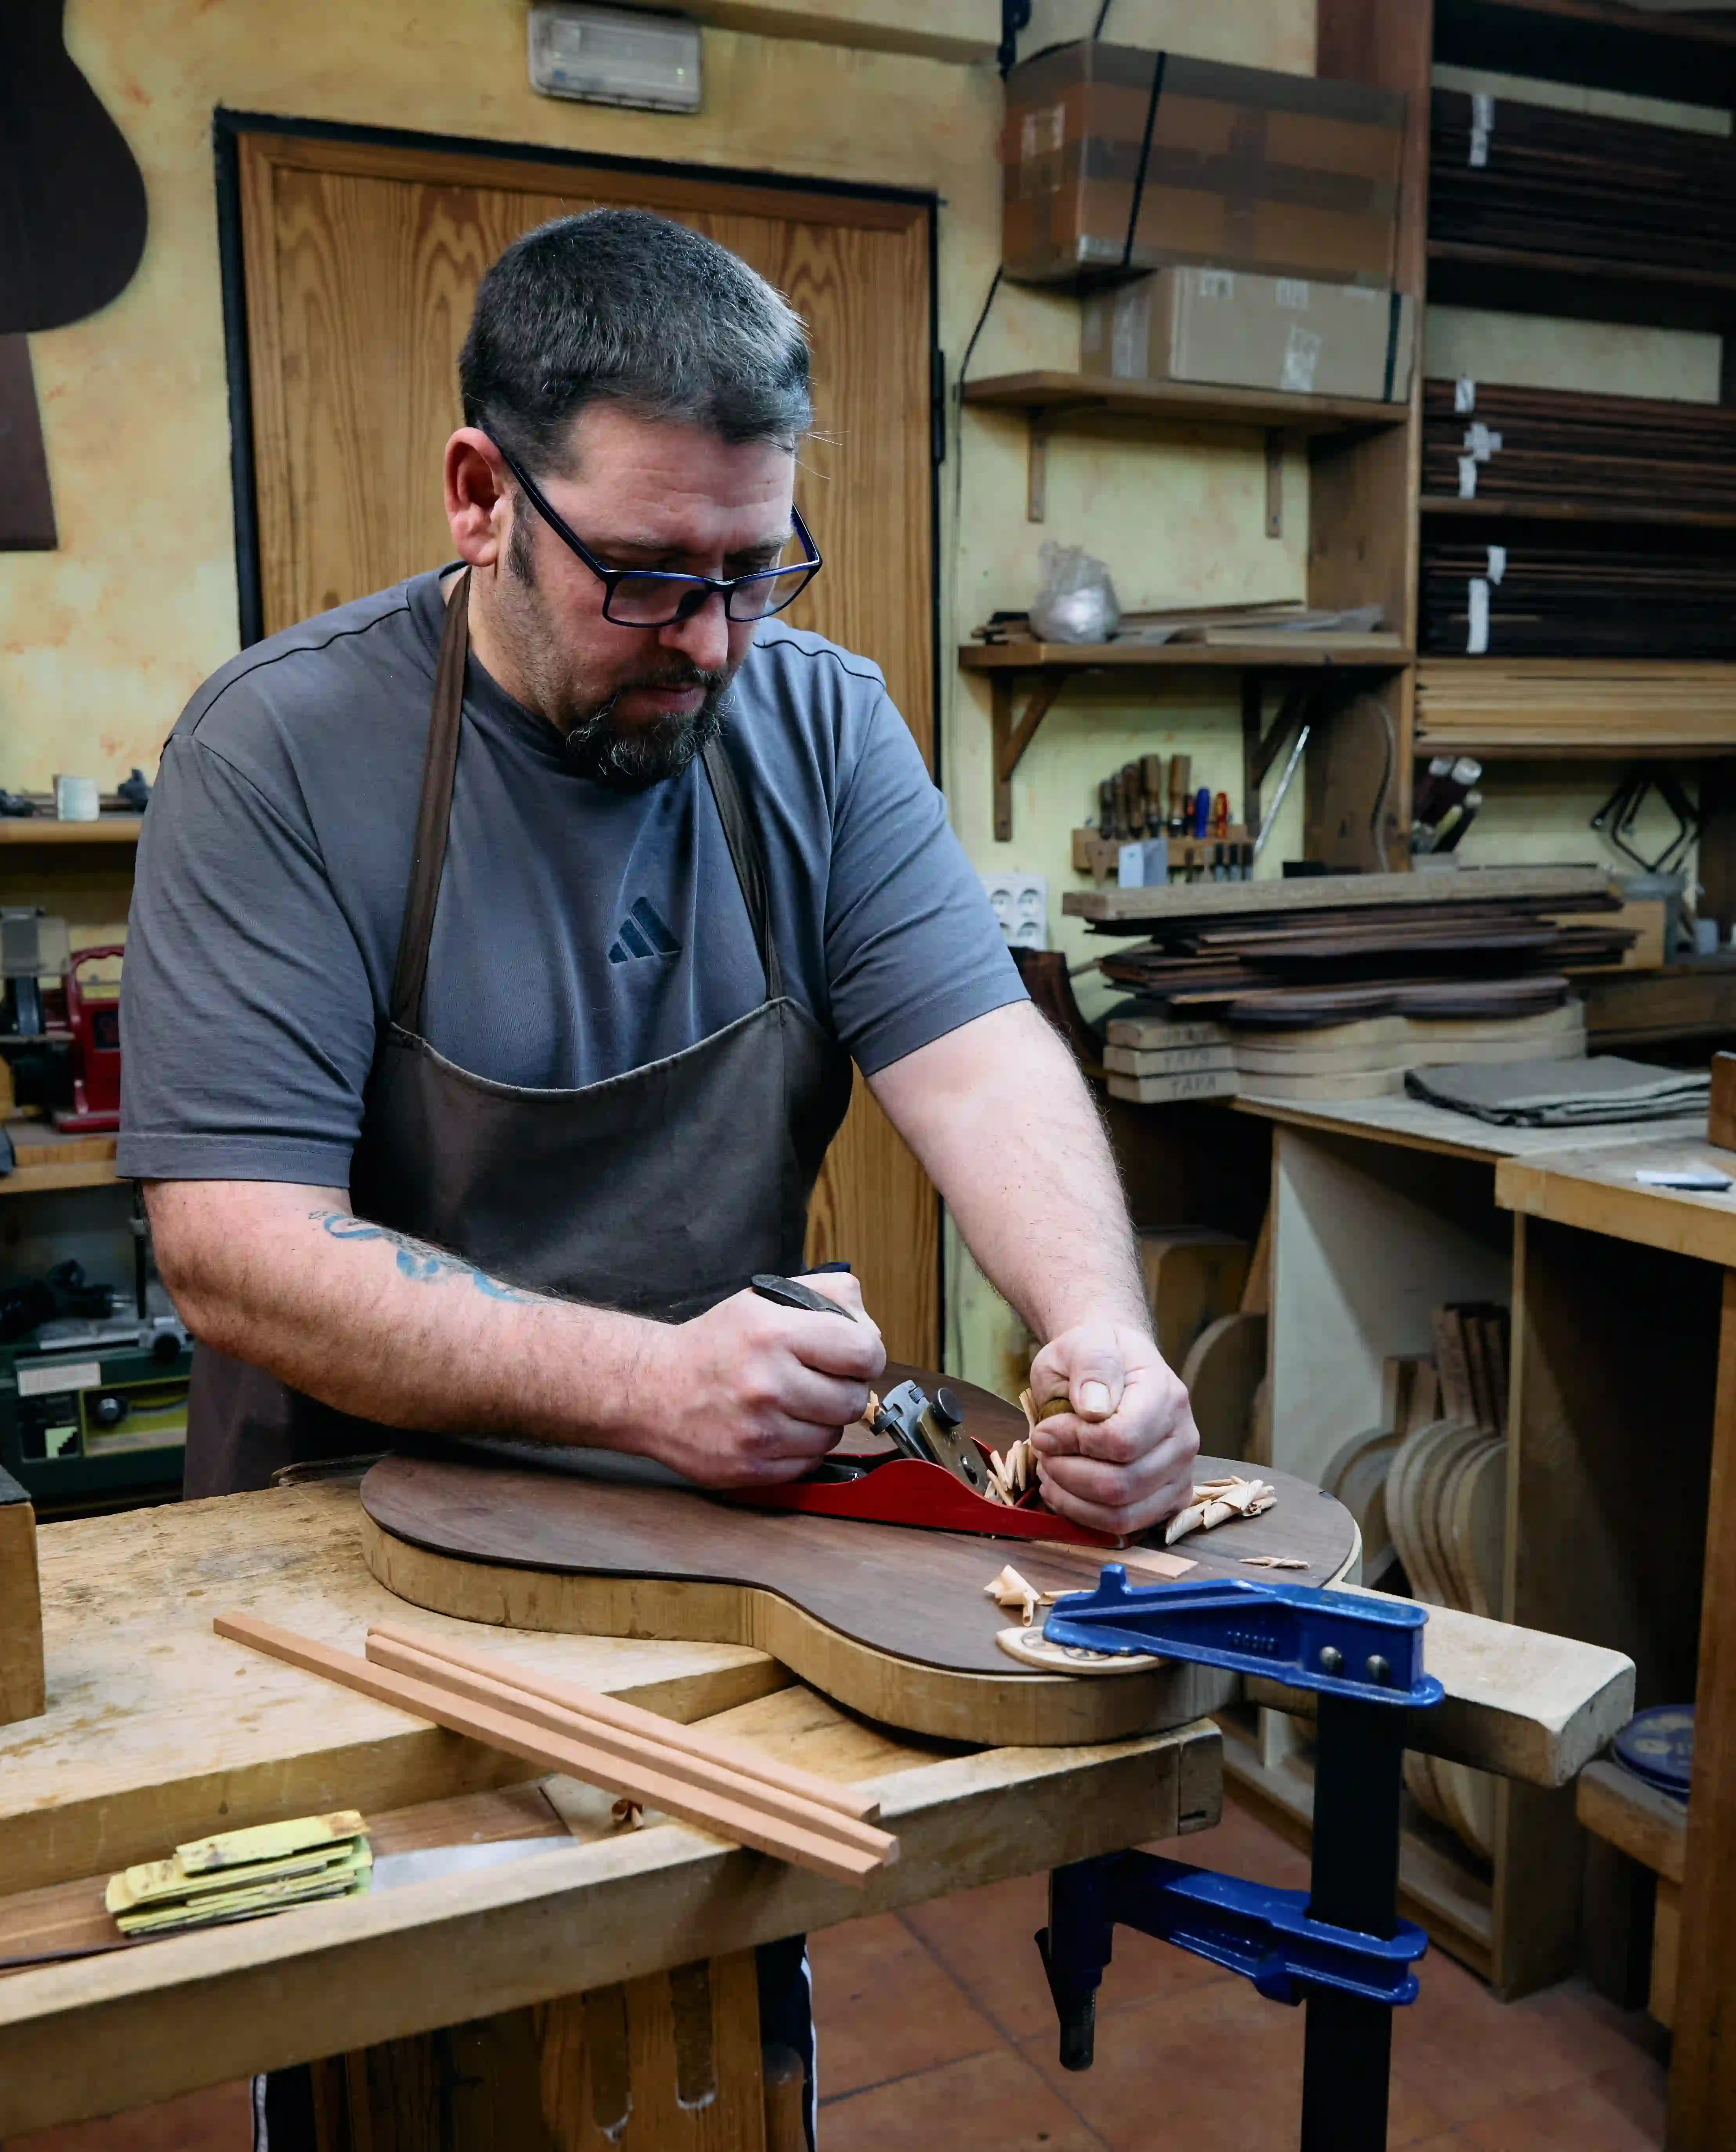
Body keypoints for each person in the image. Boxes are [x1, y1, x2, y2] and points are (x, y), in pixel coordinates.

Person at [116, 208, 1202, 2143]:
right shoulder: (277, 755)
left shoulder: (816, 721)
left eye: (751, 571)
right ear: (479, 494)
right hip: (354, 1561)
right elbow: (233, 1249)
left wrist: (1101, 1330)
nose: (709, 643)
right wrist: (645, 1386)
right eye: (644, 578)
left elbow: (977, 1053)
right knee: (403, 2066)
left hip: (723, 1557)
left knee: (706, 2034)